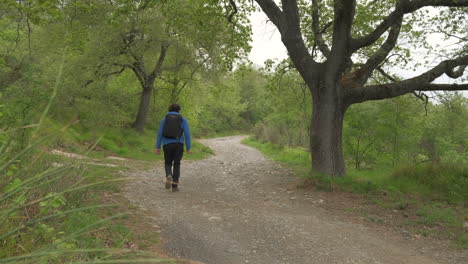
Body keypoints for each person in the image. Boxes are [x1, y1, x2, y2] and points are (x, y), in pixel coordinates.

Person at [156, 104, 191, 192]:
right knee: (177, 164)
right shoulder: (182, 119)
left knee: (168, 163)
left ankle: (168, 175)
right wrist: (188, 147)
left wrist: (158, 146)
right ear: (179, 110)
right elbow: (187, 134)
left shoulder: (164, 119)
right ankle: (175, 186)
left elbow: (160, 133)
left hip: (167, 144)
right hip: (178, 144)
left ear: (169, 110)